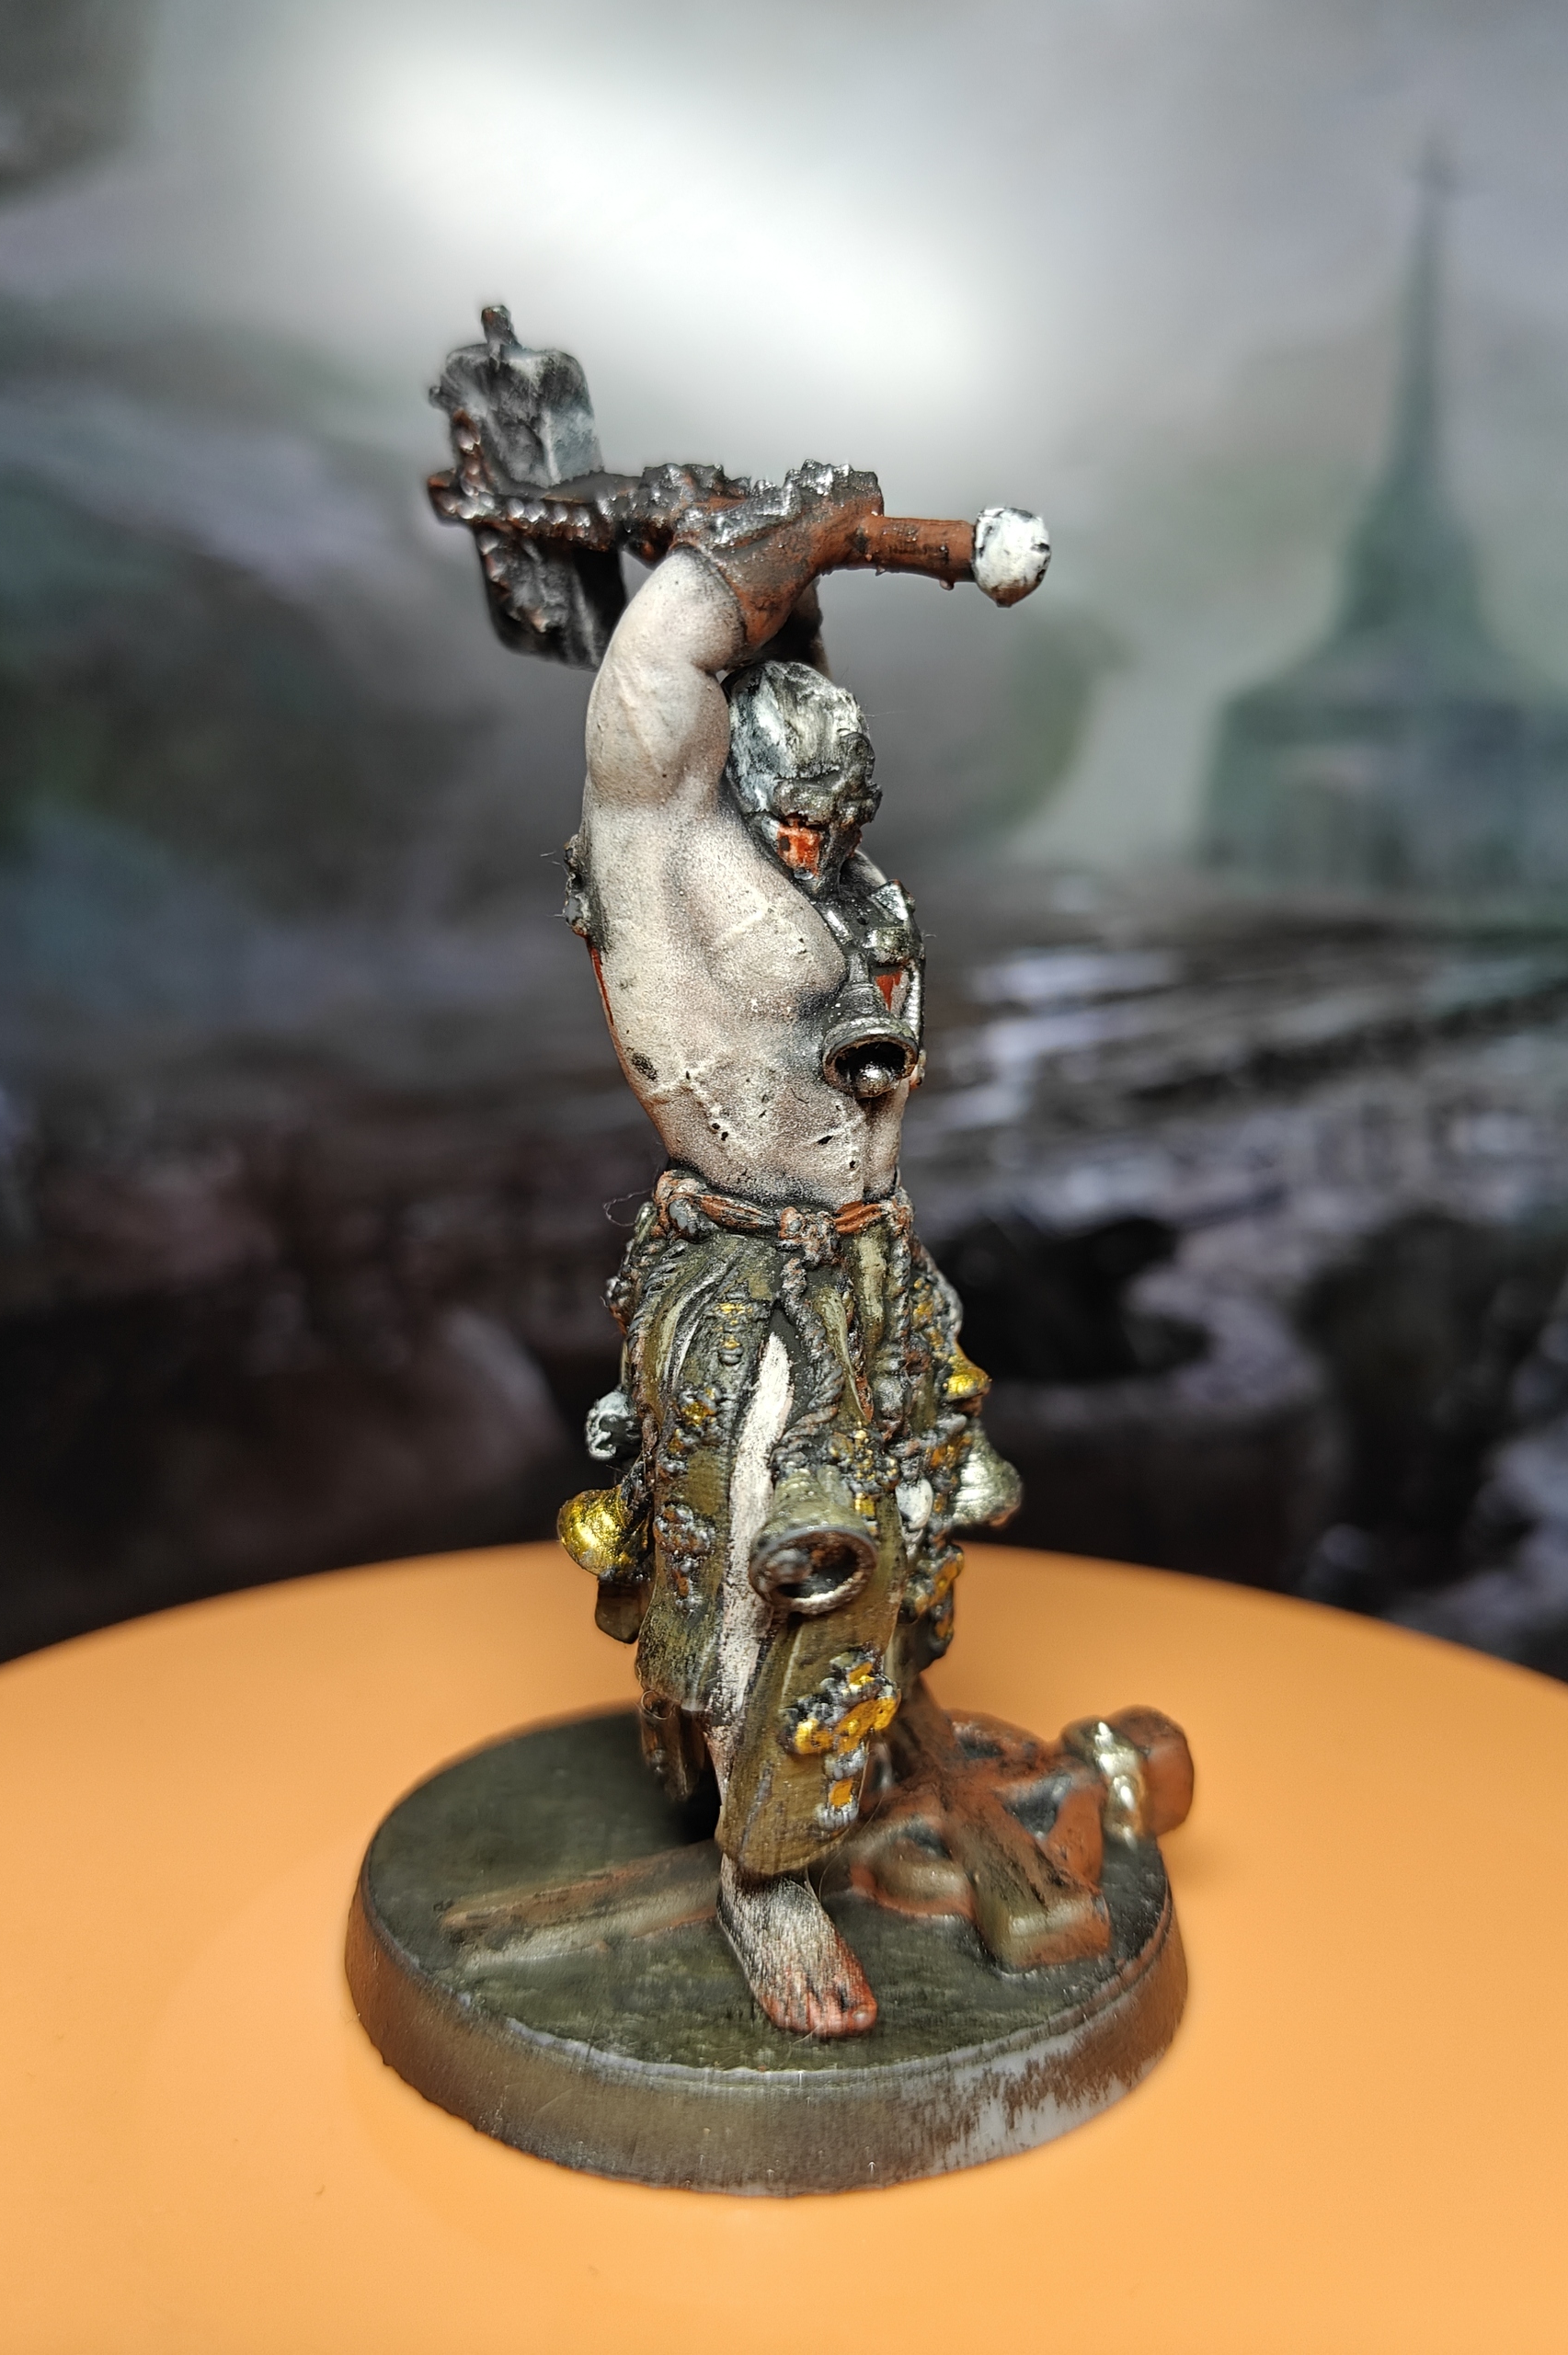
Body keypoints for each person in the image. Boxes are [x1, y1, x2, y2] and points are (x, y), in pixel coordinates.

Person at [555, 465, 1021, 2036]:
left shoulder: (824, 839)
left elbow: (773, 643)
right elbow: (662, 664)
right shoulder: (665, 842)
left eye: (843, 812)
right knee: (776, 1578)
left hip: (870, 1262)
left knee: (911, 1530)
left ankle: (826, 1771)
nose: (820, 836)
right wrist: (847, 523)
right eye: (797, 813)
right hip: (750, 1275)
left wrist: (819, 558)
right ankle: (765, 1881)